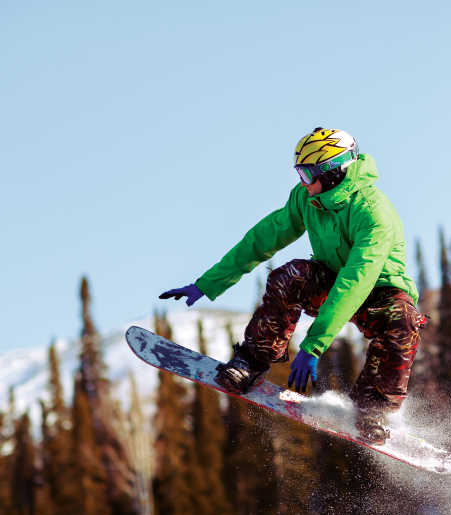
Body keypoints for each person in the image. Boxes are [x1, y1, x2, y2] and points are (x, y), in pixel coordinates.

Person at [160, 127, 425, 444]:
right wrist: (208, 283)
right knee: (292, 275)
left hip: (378, 293)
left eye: (308, 174)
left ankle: (372, 410)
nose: (303, 183)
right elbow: (263, 238)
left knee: (404, 322)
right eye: (299, 174)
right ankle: (251, 361)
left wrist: (314, 345)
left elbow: (356, 280)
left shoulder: (372, 212)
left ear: (331, 171)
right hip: (330, 279)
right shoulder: (307, 199)